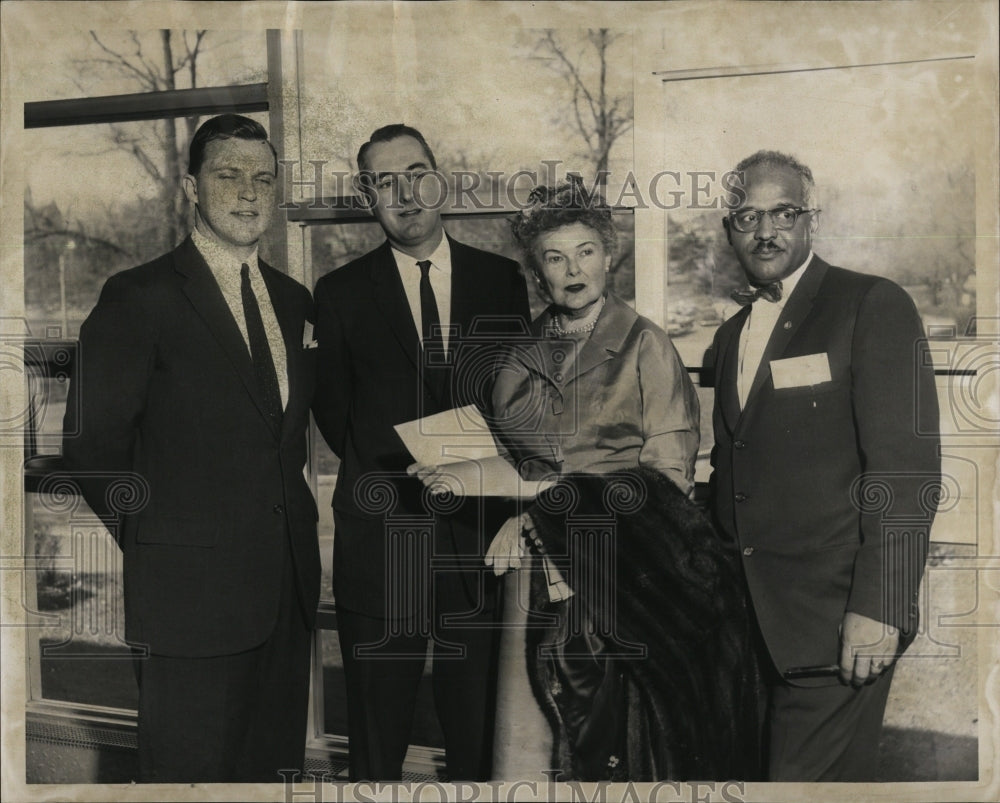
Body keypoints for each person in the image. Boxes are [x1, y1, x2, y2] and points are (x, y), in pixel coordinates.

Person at [412, 179, 760, 781]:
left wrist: (535, 515)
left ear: (608, 255)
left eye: (586, 252)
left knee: (603, 748)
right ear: (536, 271)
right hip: (533, 570)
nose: (572, 270)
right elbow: (523, 462)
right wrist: (460, 472)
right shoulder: (519, 354)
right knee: (527, 751)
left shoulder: (645, 343)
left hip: (623, 572)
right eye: (554, 257)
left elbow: (666, 481)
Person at [61, 114, 320, 782]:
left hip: (285, 597)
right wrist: (157, 540)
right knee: (187, 780)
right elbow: (90, 446)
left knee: (272, 777)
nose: (247, 192)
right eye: (228, 174)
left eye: (263, 178)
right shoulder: (137, 297)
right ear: (189, 186)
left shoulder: (293, 303)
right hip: (187, 604)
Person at [708, 150, 941, 781]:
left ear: (813, 217)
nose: (765, 231)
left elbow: (906, 470)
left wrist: (883, 605)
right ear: (728, 227)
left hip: (839, 624)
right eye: (746, 215)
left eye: (782, 212)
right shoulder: (729, 336)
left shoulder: (869, 304)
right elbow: (735, 479)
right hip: (751, 632)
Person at [311, 124, 531, 781]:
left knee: (476, 739)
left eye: (416, 172)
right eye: (384, 181)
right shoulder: (340, 293)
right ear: (368, 196)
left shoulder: (502, 281)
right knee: (376, 745)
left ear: (442, 178)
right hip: (384, 541)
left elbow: (517, 409)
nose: (404, 193)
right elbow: (336, 413)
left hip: (477, 542)